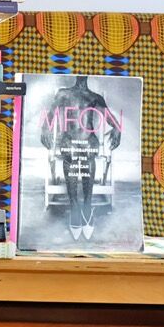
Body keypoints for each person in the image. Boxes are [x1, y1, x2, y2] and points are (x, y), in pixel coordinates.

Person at [39, 74, 122, 240]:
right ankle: (75, 206)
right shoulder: (63, 94)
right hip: (68, 140)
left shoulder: (95, 97)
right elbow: (50, 115)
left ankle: (87, 205)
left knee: (89, 153)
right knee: (69, 152)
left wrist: (118, 129)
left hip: (88, 141)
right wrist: (45, 129)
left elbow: (111, 119)